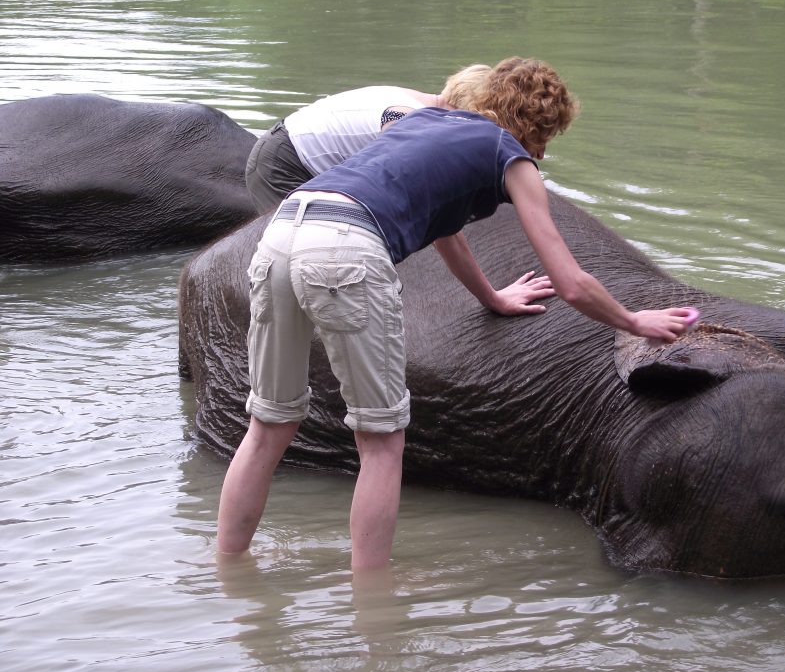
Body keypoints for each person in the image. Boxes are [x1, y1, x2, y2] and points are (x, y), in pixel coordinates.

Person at [216, 57, 701, 568]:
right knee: (381, 443)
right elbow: (570, 282)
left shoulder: (424, 122)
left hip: (282, 231)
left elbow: (445, 230)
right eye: (548, 137)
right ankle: (373, 608)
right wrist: (635, 321)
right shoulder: (513, 158)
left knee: (269, 425)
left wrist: (492, 297)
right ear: (539, 126)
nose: (542, 152)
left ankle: (226, 571)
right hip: (345, 248)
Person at [245, 63, 491, 213]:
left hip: (294, 151)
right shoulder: (410, 117)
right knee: (297, 253)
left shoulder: (418, 100)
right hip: (283, 163)